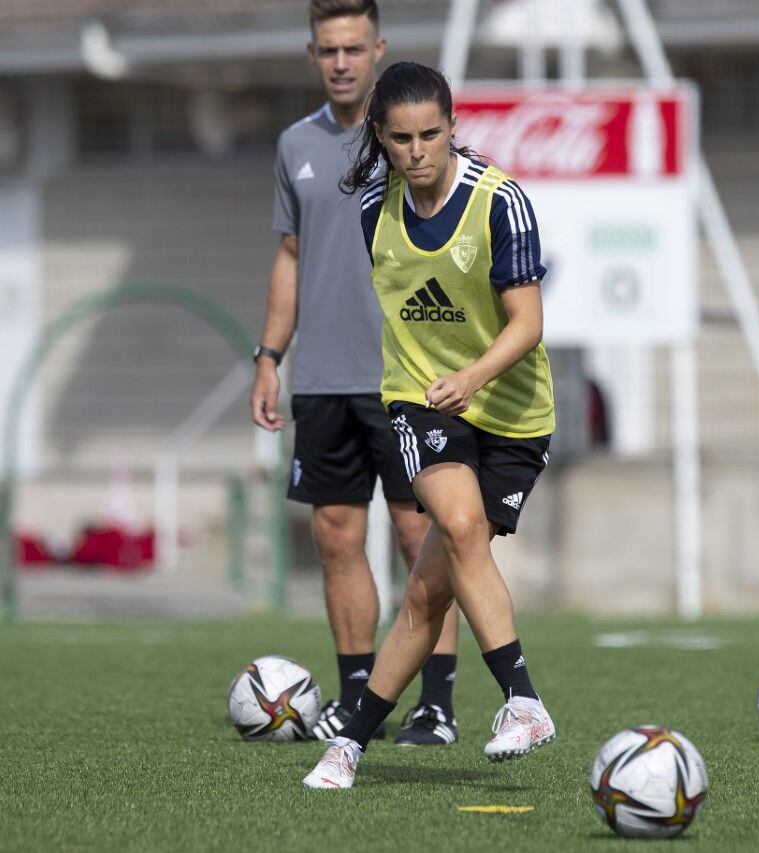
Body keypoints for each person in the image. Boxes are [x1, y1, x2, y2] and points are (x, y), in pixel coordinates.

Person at [302, 61, 556, 789]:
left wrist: (472, 379)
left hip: (511, 413)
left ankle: (347, 744)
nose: (418, 151)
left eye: (431, 134)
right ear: (380, 137)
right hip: (419, 400)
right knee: (462, 525)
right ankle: (523, 700)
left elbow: (528, 323)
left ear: (453, 128)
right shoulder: (370, 210)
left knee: (425, 593)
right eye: (402, 138)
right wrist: (439, 388)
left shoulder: (500, 202)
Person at [250, 0, 465, 747]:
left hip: (408, 377)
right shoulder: (294, 146)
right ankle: (354, 697)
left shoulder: (408, 139)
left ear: (378, 48)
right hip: (323, 379)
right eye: (326, 50)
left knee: (420, 538)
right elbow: (290, 255)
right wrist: (270, 356)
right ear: (312, 54)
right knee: (337, 537)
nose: (340, 62)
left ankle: (435, 705)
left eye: (352, 47)